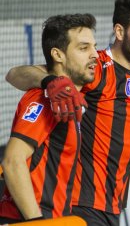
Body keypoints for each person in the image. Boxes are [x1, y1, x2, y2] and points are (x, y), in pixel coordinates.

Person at [5, 0, 130, 225]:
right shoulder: (93, 68)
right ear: (120, 31)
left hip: (114, 205)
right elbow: (15, 74)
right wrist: (49, 81)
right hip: (79, 205)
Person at [0, 13, 98, 223]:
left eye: (94, 46)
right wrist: (37, 222)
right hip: (33, 218)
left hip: (55, 217)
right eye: (84, 48)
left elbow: (15, 73)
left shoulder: (70, 95)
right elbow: (12, 160)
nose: (95, 54)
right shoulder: (47, 99)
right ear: (58, 55)